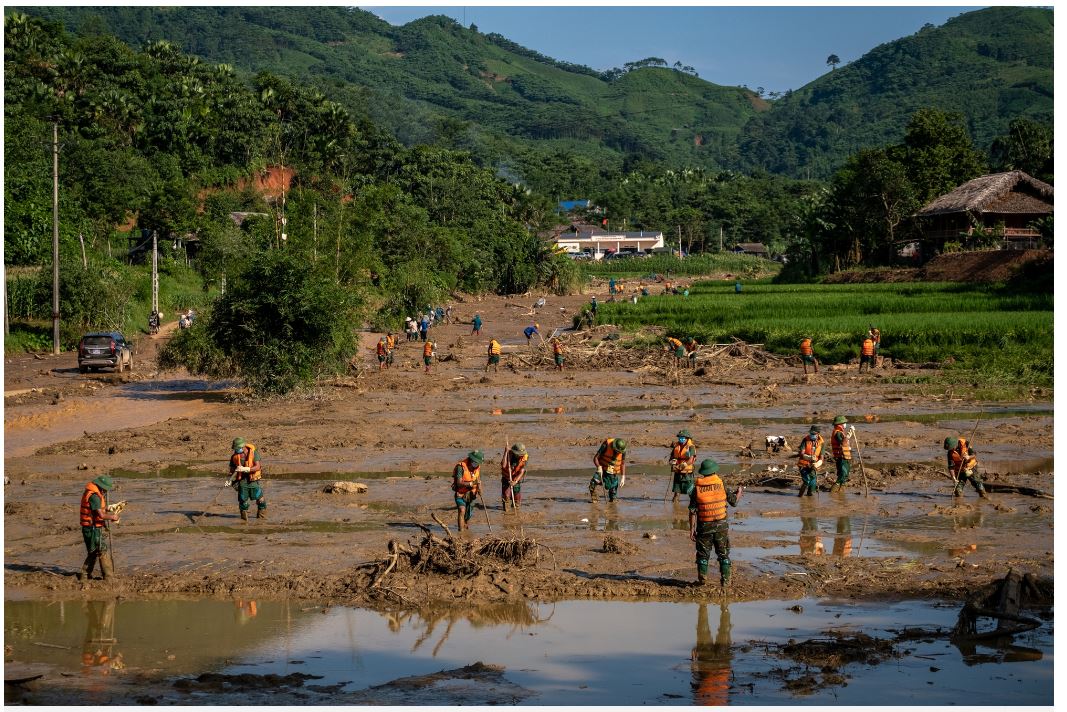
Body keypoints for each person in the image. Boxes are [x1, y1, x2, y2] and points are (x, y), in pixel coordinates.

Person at [688, 459, 741, 587]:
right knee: (723, 555)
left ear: (704, 473)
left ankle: (702, 580)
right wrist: (739, 492)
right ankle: (726, 582)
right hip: (721, 527)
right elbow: (733, 502)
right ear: (714, 471)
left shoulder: (697, 488)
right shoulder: (721, 484)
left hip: (704, 527)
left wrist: (691, 529)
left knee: (703, 555)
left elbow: (692, 511)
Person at [78, 475, 121, 581]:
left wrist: (109, 507)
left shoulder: (93, 493)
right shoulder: (94, 496)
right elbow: (101, 515)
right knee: (102, 550)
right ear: (101, 487)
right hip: (91, 528)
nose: (105, 492)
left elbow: (97, 508)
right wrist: (113, 517)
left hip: (90, 527)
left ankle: (84, 575)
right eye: (105, 489)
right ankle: (109, 577)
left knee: (93, 551)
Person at [690, 603, 732, 705]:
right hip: (708, 667)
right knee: (703, 634)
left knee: (724, 633)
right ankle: (704, 606)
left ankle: (724, 608)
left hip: (722, 667)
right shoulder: (701, 703)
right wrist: (694, 663)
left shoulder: (722, 703)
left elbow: (729, 691)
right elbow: (695, 683)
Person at [229, 437, 266, 521]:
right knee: (243, 502)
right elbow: (231, 471)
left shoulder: (254, 453)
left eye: (237, 448)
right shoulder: (234, 456)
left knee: (261, 500)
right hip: (242, 481)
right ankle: (244, 521)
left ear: (243, 447)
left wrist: (246, 469)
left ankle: (261, 519)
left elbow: (257, 467)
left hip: (253, 480)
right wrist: (230, 480)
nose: (236, 450)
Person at [451, 450, 484, 531]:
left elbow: (479, 480)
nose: (476, 464)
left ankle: (465, 525)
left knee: (468, 514)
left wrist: (480, 489)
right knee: (462, 510)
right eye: (475, 462)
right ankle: (461, 531)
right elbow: (459, 483)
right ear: (471, 459)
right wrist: (470, 484)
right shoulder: (461, 467)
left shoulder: (477, 467)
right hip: (461, 493)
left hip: (472, 494)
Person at [589, 437, 627, 503]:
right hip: (602, 470)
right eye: (616, 451)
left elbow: (622, 463)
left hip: (613, 473)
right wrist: (598, 467)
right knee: (592, 484)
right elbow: (595, 458)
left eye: (619, 452)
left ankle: (613, 502)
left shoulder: (623, 450)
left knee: (613, 494)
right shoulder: (606, 444)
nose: (617, 453)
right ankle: (594, 500)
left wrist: (623, 477)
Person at [796, 426, 825, 497]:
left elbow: (822, 457)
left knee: (813, 483)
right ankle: (799, 496)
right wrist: (809, 458)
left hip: (813, 466)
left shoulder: (821, 443)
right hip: (803, 464)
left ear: (818, 434)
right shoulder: (805, 440)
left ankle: (809, 495)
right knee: (806, 481)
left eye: (814, 433)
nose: (812, 435)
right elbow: (801, 453)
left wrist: (817, 464)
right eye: (811, 433)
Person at [670, 429, 697, 502]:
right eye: (680, 437)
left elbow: (691, 460)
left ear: (687, 438)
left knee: (691, 492)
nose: (681, 439)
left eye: (683, 437)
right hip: (678, 472)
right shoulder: (676, 446)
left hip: (687, 473)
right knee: (676, 493)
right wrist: (673, 463)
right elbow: (672, 457)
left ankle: (694, 506)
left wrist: (683, 465)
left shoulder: (691, 447)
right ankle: (675, 505)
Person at [501, 442, 528, 511]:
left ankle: (516, 509)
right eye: (518, 454)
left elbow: (522, 471)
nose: (520, 456)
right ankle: (506, 511)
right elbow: (503, 465)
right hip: (507, 477)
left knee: (517, 496)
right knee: (506, 495)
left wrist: (515, 481)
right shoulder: (509, 453)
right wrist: (505, 452)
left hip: (516, 477)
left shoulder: (525, 457)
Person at [829, 415, 852, 492]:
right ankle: (833, 490)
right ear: (840, 424)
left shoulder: (840, 432)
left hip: (843, 456)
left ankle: (840, 491)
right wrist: (849, 434)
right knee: (843, 473)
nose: (845, 424)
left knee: (845, 473)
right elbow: (843, 442)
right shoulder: (837, 433)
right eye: (844, 422)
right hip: (841, 456)